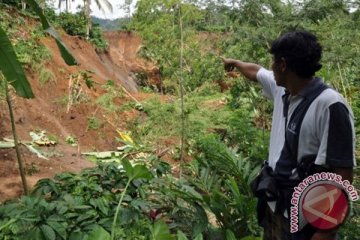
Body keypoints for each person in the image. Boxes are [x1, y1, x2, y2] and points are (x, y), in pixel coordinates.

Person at [222, 30, 355, 240]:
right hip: (275, 206)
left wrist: (325, 232)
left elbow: (342, 174)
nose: (270, 67)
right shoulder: (282, 89)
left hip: (305, 219)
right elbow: (256, 71)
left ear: (283, 64)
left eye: (273, 62)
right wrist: (235, 62)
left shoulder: (330, 105)